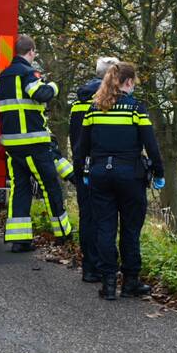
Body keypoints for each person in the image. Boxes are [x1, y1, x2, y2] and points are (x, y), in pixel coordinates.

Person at [73, 62, 165, 300]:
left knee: (105, 228)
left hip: (100, 175)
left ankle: (109, 283)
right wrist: (159, 173)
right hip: (130, 176)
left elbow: (81, 147)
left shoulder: (94, 110)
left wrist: (81, 173)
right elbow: (151, 145)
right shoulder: (136, 109)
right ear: (129, 82)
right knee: (130, 229)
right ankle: (131, 281)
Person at [0, 35, 72, 252]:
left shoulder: (2, 77)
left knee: (20, 189)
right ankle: (63, 233)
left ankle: (19, 240)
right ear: (31, 52)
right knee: (50, 187)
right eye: (35, 53)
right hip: (34, 143)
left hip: (12, 145)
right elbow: (40, 93)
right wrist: (54, 87)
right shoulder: (28, 73)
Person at [70, 56, 119, 283]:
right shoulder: (110, 102)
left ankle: (89, 268)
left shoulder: (78, 101)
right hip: (104, 168)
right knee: (105, 220)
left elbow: (76, 138)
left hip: (83, 168)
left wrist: (80, 169)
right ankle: (103, 266)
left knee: (87, 218)